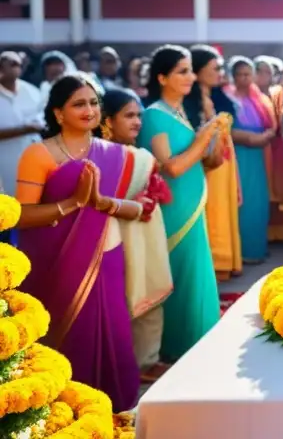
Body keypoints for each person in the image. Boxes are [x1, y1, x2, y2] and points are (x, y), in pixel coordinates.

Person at [14, 75, 146, 411]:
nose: (88, 110)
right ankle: (58, 408)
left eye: (93, 103)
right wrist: (73, 203)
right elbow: (22, 215)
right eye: (78, 103)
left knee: (112, 331)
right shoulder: (38, 154)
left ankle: (111, 408)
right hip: (54, 263)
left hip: (107, 256)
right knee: (65, 334)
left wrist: (103, 203)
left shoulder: (116, 153)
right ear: (58, 113)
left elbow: (139, 210)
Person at [137, 45, 224, 362]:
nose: (190, 76)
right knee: (179, 273)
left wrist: (217, 138)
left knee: (196, 272)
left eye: (190, 70)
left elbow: (204, 161)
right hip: (173, 210)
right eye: (182, 71)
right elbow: (170, 166)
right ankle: (178, 348)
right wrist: (202, 139)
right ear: (162, 77)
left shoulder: (180, 113)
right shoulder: (153, 116)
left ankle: (199, 343)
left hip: (192, 205)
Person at [100, 88, 174, 383]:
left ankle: (148, 359)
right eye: (129, 116)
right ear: (107, 121)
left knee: (151, 288)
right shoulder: (101, 156)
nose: (137, 122)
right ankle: (124, 362)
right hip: (118, 233)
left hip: (147, 232)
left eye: (139, 116)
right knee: (124, 294)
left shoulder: (142, 155)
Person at [183, 46, 242, 281]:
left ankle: (223, 265)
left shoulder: (214, 98)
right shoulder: (191, 104)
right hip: (208, 168)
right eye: (214, 68)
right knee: (212, 215)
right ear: (197, 72)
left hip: (223, 166)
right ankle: (213, 266)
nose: (220, 72)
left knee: (222, 212)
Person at [225, 57, 276, 263]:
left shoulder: (261, 99)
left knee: (259, 202)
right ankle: (241, 252)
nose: (244, 78)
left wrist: (266, 136)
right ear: (234, 77)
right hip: (238, 156)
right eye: (240, 74)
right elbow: (224, 128)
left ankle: (257, 249)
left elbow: (272, 125)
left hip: (259, 156)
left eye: (248, 74)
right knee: (241, 201)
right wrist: (248, 138)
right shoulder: (228, 99)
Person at [255, 56, 283, 243]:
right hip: (252, 150)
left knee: (276, 188)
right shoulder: (245, 97)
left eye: (268, 72)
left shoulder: (276, 93)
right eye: (259, 71)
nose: (264, 76)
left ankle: (278, 231)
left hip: (274, 148)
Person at [0, 52, 44, 198]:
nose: (5, 68)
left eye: (14, 64)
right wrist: (24, 130)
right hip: (4, 163)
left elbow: (43, 122)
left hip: (32, 163)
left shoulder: (32, 92)